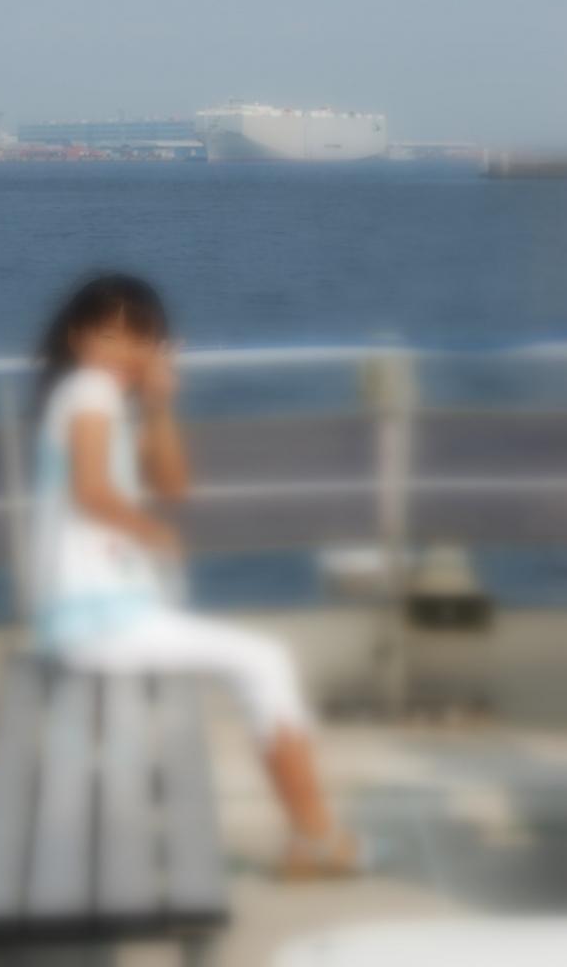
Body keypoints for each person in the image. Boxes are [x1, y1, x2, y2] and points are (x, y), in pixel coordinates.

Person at [27, 272, 361, 878]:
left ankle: (314, 837)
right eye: (111, 334)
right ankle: (316, 839)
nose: (126, 349)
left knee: (263, 662)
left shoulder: (99, 402)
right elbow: (91, 492)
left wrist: (159, 403)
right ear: (78, 338)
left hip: (104, 614)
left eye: (141, 337)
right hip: (96, 620)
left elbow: (174, 485)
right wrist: (152, 533)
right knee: (266, 661)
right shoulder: (90, 392)